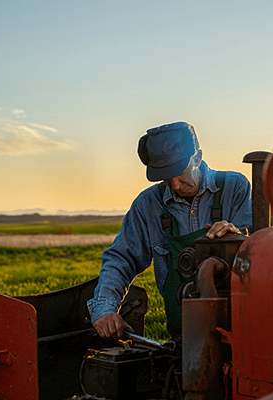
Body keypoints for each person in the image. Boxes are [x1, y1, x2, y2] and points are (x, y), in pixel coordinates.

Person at [88, 121, 252, 340]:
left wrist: (239, 238)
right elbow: (121, 259)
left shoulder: (235, 188)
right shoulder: (148, 204)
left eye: (180, 172)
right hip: (183, 338)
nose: (174, 185)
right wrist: (105, 309)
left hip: (241, 333)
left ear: (198, 157)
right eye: (165, 177)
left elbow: (262, 257)